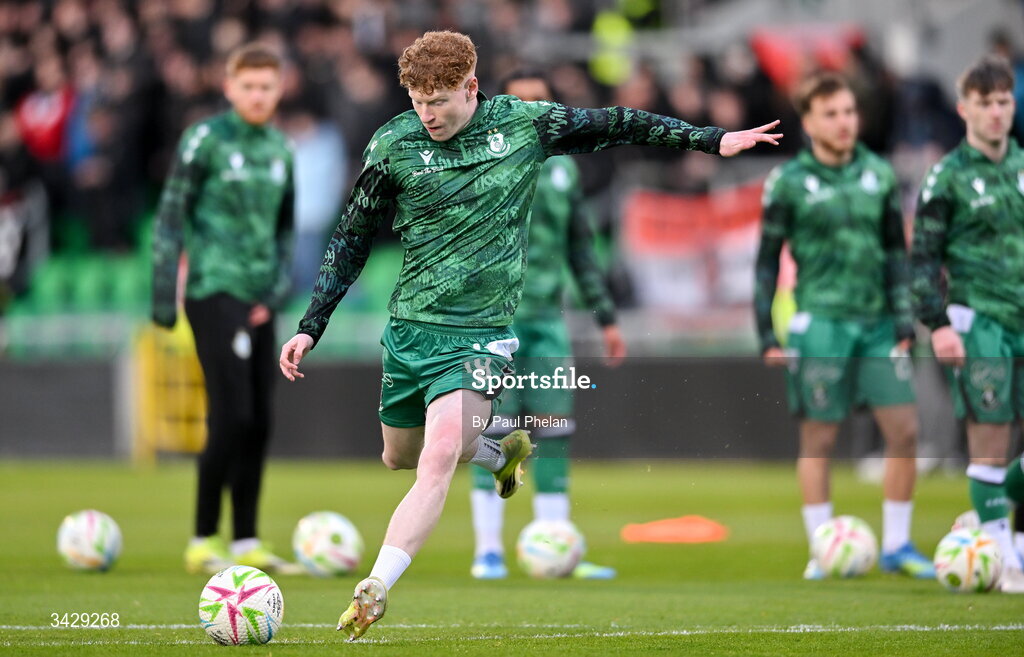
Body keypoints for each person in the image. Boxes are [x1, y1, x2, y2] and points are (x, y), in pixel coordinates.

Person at [279, 30, 781, 640]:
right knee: (400, 457)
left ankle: (376, 587)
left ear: (471, 86)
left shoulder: (522, 125)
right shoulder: (393, 144)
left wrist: (711, 138)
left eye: (439, 100)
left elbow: (618, 121)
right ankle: (499, 450)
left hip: (483, 333)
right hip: (411, 329)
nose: (428, 114)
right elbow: (351, 238)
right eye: (417, 100)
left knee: (437, 458)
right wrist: (312, 325)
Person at [754, 72, 934, 580]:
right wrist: (766, 333)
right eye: (832, 114)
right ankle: (822, 547)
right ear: (809, 122)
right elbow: (766, 263)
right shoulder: (787, 183)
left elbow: (896, 253)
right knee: (820, 441)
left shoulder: (877, 172)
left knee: (905, 432)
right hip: (822, 324)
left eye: (850, 112)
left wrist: (903, 316)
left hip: (878, 324)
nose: (844, 122)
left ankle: (898, 544)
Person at [467, 70, 626, 581]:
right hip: (494, 322)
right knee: (493, 431)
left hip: (548, 324)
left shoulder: (563, 172)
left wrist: (606, 317)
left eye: (541, 101)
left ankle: (554, 540)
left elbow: (581, 247)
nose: (534, 111)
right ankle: (487, 550)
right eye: (522, 101)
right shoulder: (483, 168)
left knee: (554, 431)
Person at [152, 43, 298, 576]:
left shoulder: (282, 150)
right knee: (230, 413)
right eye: (249, 86)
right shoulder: (205, 141)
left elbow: (286, 233)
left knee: (259, 419)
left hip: (260, 301)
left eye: (267, 87)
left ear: (279, 90)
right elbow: (170, 215)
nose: (258, 96)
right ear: (229, 88)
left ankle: (247, 541)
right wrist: (161, 295)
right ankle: (201, 537)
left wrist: (275, 293)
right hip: (213, 290)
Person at [911, 54, 1024, 593]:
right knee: (991, 435)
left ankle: (994, 528)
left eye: (1004, 101)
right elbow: (923, 260)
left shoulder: (1023, 164)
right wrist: (938, 325)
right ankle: (1004, 556)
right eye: (985, 103)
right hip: (980, 320)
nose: (997, 112)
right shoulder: (947, 177)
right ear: (964, 109)